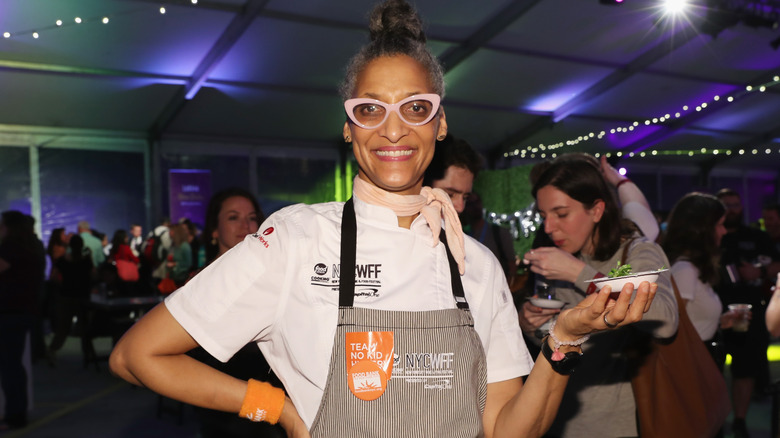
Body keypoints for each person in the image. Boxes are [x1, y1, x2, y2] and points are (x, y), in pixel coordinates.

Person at [109, 1, 658, 437]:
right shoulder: (298, 238)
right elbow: (139, 355)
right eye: (369, 109)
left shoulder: (479, 266)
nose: (392, 130)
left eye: (415, 107)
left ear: (439, 124)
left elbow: (507, 429)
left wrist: (563, 338)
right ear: (348, 127)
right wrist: (277, 408)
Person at [519, 158, 678, 437]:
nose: (548, 227)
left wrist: (580, 274)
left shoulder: (638, 252)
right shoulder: (555, 258)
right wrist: (529, 323)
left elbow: (666, 321)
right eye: (544, 215)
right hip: (556, 417)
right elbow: (554, 342)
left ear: (596, 210)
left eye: (561, 214)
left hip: (617, 422)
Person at [186, 187, 284, 438]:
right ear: (214, 230)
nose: (246, 225)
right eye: (233, 217)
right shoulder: (200, 284)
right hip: (226, 410)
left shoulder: (274, 279)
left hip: (278, 405)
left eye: (252, 217)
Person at [715, 188, 780, 438]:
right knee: (714, 371)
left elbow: (777, 263)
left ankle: (740, 420)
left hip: (751, 312)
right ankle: (717, 420)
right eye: (727, 205)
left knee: (746, 369)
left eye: (736, 204)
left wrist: (760, 273)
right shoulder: (712, 237)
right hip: (716, 312)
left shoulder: (757, 236)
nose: (732, 209)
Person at [424, 134, 517, 283]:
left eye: (465, 197)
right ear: (422, 186)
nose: (460, 207)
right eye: (449, 194)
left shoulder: (473, 254)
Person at [661, 192, 739, 365]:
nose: (724, 231)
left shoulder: (692, 267)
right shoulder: (685, 269)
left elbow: (691, 320)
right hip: (691, 361)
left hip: (700, 356)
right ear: (701, 230)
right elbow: (673, 328)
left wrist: (717, 322)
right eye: (719, 225)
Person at [0, 210, 46, 431]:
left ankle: (14, 415)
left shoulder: (10, 250)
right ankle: (16, 413)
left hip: (9, 313)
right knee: (14, 365)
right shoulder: (32, 248)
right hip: (24, 312)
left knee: (9, 366)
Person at [47, 234, 95, 364]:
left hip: (66, 296)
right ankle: (88, 354)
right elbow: (93, 275)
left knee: (63, 327)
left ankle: (53, 350)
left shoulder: (63, 261)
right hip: (83, 296)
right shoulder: (86, 261)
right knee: (85, 327)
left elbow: (54, 277)